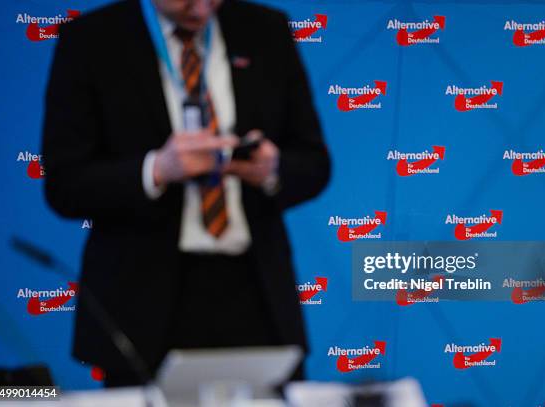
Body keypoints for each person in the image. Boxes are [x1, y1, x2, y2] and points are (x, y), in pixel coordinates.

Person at [42, 0, 330, 387]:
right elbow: (65, 184)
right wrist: (156, 169)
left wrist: (271, 169)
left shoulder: (267, 29)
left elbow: (314, 163)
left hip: (256, 295)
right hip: (142, 304)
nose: (201, 9)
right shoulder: (91, 40)